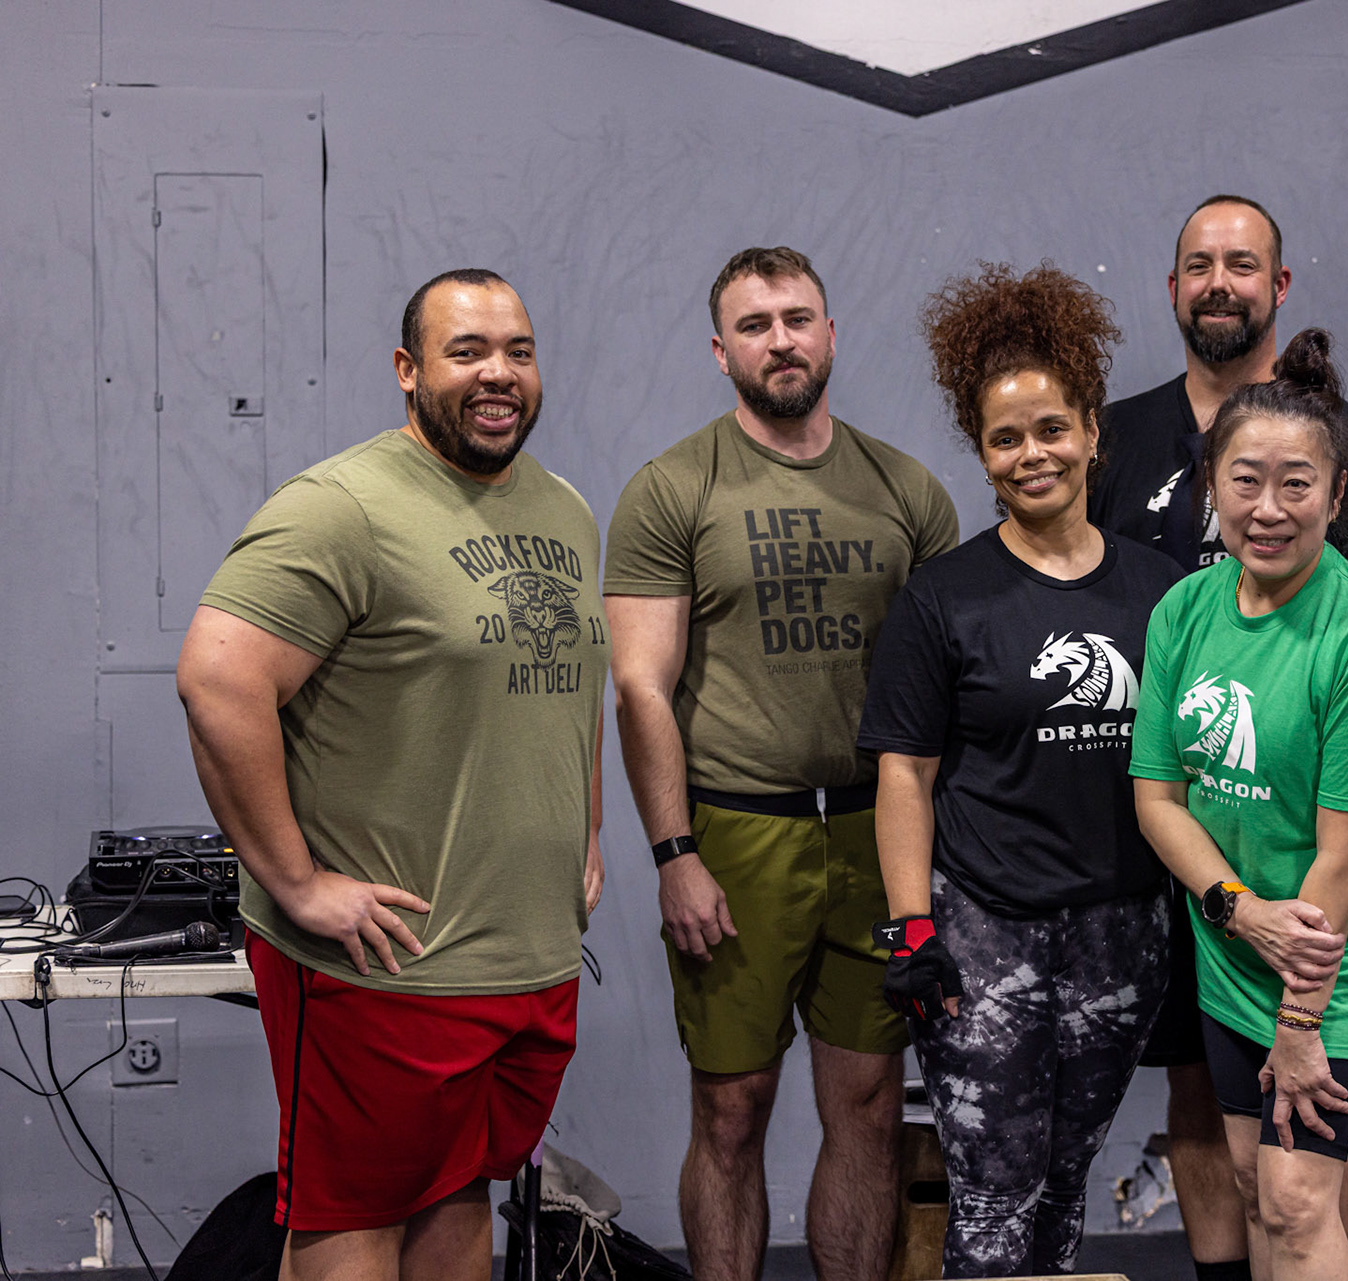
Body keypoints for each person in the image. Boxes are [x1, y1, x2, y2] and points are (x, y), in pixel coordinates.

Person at [177, 268, 608, 1281]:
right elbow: (218, 682)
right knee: (352, 1220)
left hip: (521, 957)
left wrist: (584, 831)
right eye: (468, 352)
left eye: (518, 351)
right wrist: (295, 883)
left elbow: (569, 681)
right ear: (410, 371)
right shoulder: (342, 507)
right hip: (383, 965)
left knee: (458, 1196)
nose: (498, 373)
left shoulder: (564, 508)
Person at [604, 247, 958, 1281]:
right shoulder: (674, 489)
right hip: (735, 833)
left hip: (874, 829)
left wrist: (931, 862)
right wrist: (674, 853)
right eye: (754, 326)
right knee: (732, 1107)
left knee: (870, 1105)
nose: (781, 341)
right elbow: (640, 687)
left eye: (798, 319)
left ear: (831, 335)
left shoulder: (906, 489)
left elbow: (946, 688)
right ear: (722, 352)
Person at [1088, 193, 1348, 1276]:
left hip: (1325, 943)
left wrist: (1301, 1019)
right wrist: (1235, 909)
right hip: (1236, 930)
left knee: (1292, 1197)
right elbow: (1157, 794)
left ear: (1337, 492)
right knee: (1250, 1181)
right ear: (1213, 489)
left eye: (1297, 485)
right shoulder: (1187, 609)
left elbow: (1344, 855)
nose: (1269, 507)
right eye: (1245, 482)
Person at [858, 264, 1183, 1277]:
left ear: (1090, 431)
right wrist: (912, 928)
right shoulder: (943, 598)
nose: (1032, 453)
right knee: (995, 1193)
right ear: (983, 453)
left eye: (1051, 429)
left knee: (1064, 1178)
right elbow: (904, 775)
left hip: (1123, 934)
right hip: (983, 935)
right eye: (1006, 438)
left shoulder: (1162, 592)